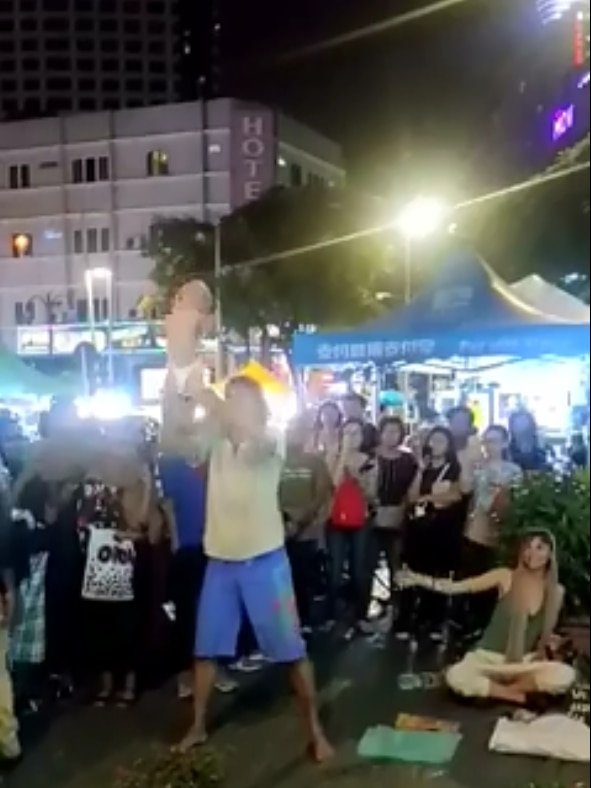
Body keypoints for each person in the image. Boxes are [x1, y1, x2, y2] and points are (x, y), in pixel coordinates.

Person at [165, 376, 333, 760]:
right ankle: (198, 725)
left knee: (292, 652)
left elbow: (243, 433)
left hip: (266, 565)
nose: (232, 405)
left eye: (240, 399)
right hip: (221, 564)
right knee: (205, 652)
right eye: (230, 398)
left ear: (256, 407)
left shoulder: (269, 438)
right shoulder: (217, 441)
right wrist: (178, 387)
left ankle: (315, 731)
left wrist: (206, 392)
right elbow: (175, 440)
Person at [397, 530, 576, 704]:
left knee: (565, 675)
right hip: (488, 660)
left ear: (550, 554)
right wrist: (417, 579)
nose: (532, 553)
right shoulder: (506, 577)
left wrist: (550, 645)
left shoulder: (556, 593)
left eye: (540, 547)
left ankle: (497, 690)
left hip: (523, 663)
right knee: (457, 676)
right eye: (528, 547)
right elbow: (457, 587)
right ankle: (516, 695)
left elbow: (542, 636)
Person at [398, 426, 465, 640]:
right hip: (418, 530)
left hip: (443, 531)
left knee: (438, 574)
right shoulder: (420, 466)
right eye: (433, 440)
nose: (435, 444)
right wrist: (420, 469)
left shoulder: (455, 468)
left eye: (441, 440)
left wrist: (428, 500)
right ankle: (408, 620)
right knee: (412, 572)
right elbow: (411, 496)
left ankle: (435, 621)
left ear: (449, 445)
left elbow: (455, 496)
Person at [460, 425, 522, 636]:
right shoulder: (478, 467)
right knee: (475, 578)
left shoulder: (513, 471)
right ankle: (474, 624)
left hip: (499, 534)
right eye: (486, 441)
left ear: (505, 442)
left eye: (495, 441)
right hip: (475, 531)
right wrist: (469, 464)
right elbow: (465, 489)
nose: (490, 446)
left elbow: (516, 502)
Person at [280, 416, 333, 633]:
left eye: (300, 430)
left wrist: (300, 522)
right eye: (291, 429)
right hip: (278, 529)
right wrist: (284, 521)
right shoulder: (275, 460)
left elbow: (321, 494)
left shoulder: (315, 462)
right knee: (281, 581)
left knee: (302, 578)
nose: (295, 434)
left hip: (306, 531)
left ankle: (303, 620)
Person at [366, 417, 417, 619]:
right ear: (380, 432)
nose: (391, 435)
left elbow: (411, 489)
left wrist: (402, 509)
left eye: (396, 431)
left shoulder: (408, 459)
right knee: (367, 565)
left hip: (398, 518)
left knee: (396, 564)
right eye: (387, 431)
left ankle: (398, 608)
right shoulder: (370, 457)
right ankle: (365, 606)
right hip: (371, 518)